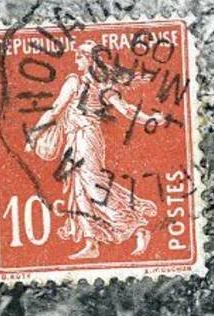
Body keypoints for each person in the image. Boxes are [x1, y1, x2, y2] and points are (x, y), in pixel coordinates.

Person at [25, 40, 166, 260]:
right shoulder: (74, 82)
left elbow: (126, 110)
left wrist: (150, 119)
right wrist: (34, 135)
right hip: (73, 139)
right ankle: (91, 242)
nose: (76, 61)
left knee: (93, 185)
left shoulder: (102, 86)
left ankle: (136, 227)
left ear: (90, 60)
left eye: (79, 57)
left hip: (88, 138)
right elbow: (54, 111)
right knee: (78, 188)